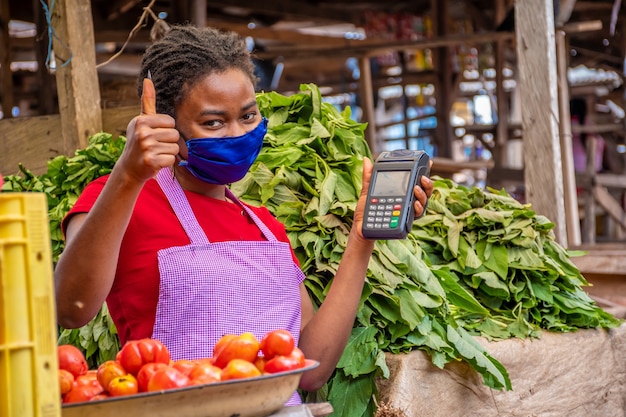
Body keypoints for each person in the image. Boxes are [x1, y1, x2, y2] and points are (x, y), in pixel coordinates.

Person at [54, 24, 433, 404]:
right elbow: (71, 308)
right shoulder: (121, 196)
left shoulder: (265, 225)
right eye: (213, 122)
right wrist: (128, 174)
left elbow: (312, 369)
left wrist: (361, 239)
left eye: (248, 117)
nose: (237, 133)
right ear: (168, 125)